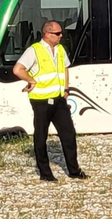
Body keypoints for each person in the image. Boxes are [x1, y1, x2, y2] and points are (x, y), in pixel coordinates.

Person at [12, 20, 86, 183]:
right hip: (41, 100)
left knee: (69, 134)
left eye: (61, 33)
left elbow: (65, 69)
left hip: (59, 99)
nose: (61, 36)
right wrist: (31, 81)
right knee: (41, 135)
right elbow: (17, 69)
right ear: (47, 34)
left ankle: (74, 170)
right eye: (57, 33)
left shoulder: (60, 49)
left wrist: (66, 90)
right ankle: (45, 172)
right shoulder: (34, 50)